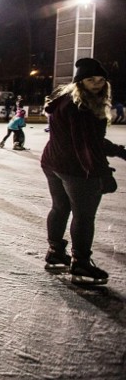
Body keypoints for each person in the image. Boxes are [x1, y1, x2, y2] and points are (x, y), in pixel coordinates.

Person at [41, 58, 126, 285]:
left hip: (53, 162)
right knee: (84, 215)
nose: (97, 84)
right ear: (80, 82)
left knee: (60, 207)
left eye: (101, 80)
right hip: (76, 168)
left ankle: (56, 251)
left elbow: (88, 141)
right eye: (91, 80)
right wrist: (104, 172)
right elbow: (87, 144)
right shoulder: (81, 107)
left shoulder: (63, 101)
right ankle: (80, 263)